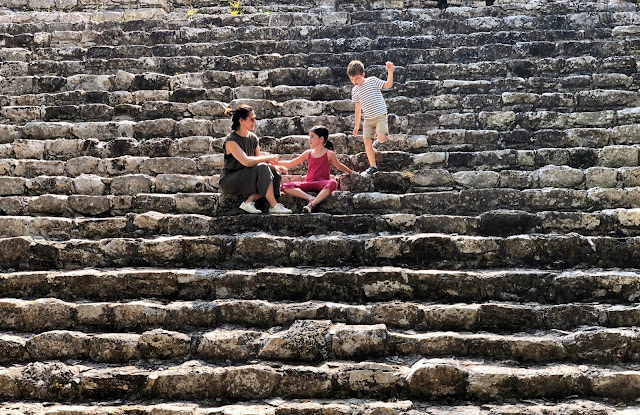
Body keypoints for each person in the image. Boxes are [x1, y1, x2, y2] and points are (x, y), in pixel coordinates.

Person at [219, 104, 293, 214]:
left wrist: (276, 167)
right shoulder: (231, 140)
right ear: (241, 120)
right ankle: (273, 205)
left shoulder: (253, 138)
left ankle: (249, 202)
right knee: (264, 167)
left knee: (275, 174)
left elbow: (259, 162)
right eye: (252, 119)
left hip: (248, 176)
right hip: (230, 180)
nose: (255, 122)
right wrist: (269, 157)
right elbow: (247, 162)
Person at [277, 126, 353, 213]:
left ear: (321, 139)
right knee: (285, 186)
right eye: (309, 136)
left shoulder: (329, 154)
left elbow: (339, 166)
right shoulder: (308, 153)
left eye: (312, 137)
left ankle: (312, 204)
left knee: (333, 183)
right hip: (309, 183)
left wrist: (350, 171)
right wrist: (274, 162)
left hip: (322, 183)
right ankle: (311, 198)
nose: (310, 139)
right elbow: (291, 163)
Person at [348, 60, 394, 177]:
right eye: (352, 79)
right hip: (368, 119)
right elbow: (358, 108)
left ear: (363, 74)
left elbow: (388, 85)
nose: (355, 82)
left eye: (357, 78)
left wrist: (389, 70)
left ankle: (377, 143)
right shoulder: (355, 90)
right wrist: (357, 125)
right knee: (367, 142)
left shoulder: (372, 81)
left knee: (382, 137)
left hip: (380, 115)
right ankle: (373, 166)